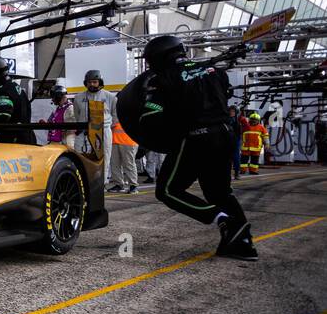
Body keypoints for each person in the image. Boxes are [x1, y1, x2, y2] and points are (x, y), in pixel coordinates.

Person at [140, 34, 256, 260]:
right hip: (225, 136)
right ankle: (242, 242)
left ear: (159, 57)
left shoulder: (164, 78)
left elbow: (151, 115)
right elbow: (224, 97)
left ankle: (220, 218)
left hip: (197, 139)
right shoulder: (215, 71)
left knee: (167, 190)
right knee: (219, 192)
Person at [74, 69, 115, 184]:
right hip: (84, 131)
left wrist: (107, 126)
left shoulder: (110, 97)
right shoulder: (78, 97)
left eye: (94, 82)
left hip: (103, 131)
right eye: (89, 82)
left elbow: (114, 114)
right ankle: (83, 182)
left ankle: (102, 183)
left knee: (104, 157)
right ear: (86, 83)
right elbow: (77, 114)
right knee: (80, 155)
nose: (92, 84)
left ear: (99, 82)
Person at [109, 111, 138, 193]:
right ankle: (118, 184)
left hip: (128, 142)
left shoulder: (129, 111)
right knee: (115, 164)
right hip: (115, 141)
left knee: (129, 164)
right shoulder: (114, 112)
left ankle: (133, 185)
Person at [228, 106, 243, 179]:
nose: (231, 112)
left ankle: (237, 173)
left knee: (236, 157)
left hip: (235, 141)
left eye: (233, 111)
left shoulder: (237, 122)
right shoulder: (225, 120)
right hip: (226, 141)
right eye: (230, 111)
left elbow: (239, 133)